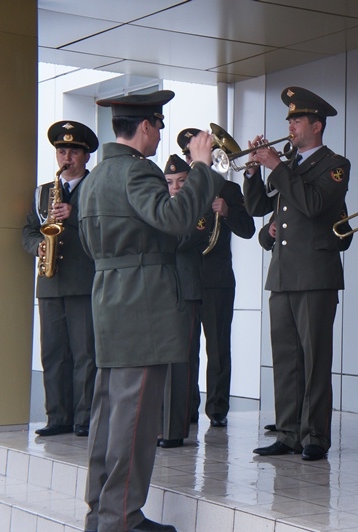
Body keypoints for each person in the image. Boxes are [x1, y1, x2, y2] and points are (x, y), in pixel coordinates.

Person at [78, 90, 226, 532]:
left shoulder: (95, 177)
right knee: (135, 420)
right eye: (159, 126)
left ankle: (101, 513)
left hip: (109, 297)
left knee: (109, 416)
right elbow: (177, 220)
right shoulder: (137, 172)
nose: (161, 134)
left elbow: (115, 241)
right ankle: (121, 517)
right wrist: (200, 166)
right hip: (142, 304)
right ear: (145, 126)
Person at [243, 86, 350, 461]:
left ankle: (315, 436)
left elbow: (314, 205)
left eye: (296, 119)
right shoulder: (287, 165)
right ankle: (288, 432)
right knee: (286, 358)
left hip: (316, 275)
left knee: (314, 358)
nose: (289, 125)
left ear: (316, 126)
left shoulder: (335, 165)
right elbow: (257, 206)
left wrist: (277, 167)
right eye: (288, 119)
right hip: (283, 274)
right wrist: (254, 171)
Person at [22, 120, 99, 438]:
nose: (66, 158)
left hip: (83, 282)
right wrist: (37, 245)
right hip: (50, 283)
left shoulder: (97, 189)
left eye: (73, 152)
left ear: (85, 157)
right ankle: (57, 416)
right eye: (62, 151)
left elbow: (104, 232)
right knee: (53, 352)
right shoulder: (43, 193)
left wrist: (76, 217)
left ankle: (84, 418)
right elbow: (27, 230)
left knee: (85, 353)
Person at [177, 128, 256, 428]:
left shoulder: (228, 190)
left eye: (194, 153)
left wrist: (227, 213)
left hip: (217, 280)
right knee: (186, 349)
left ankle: (218, 409)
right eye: (187, 154)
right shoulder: (181, 190)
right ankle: (187, 407)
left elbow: (248, 230)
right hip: (186, 280)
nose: (190, 159)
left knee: (218, 348)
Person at [157, 154, 210, 449]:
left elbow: (178, 242)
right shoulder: (165, 211)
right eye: (169, 183)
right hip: (162, 292)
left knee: (181, 363)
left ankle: (174, 429)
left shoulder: (198, 208)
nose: (175, 188)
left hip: (186, 291)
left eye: (181, 182)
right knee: (161, 363)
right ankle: (159, 425)